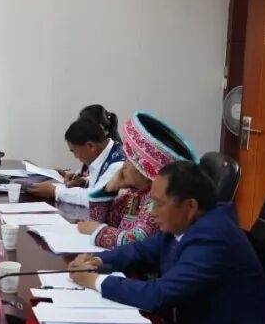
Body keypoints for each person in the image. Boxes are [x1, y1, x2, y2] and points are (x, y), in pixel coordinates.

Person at [69, 161, 265, 324]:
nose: (152, 211)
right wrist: (98, 260)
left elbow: (159, 295)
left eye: (158, 203)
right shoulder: (187, 224)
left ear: (190, 206)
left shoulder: (213, 238)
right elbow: (141, 250)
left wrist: (94, 281)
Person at [74, 111, 195, 249]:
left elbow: (138, 242)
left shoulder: (156, 200)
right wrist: (108, 190)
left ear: (145, 170)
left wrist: (97, 231)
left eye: (129, 159)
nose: (124, 165)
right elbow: (100, 220)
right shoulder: (132, 193)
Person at [26, 117, 125, 206]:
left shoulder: (118, 165)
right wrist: (85, 181)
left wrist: (55, 191)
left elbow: (96, 199)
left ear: (90, 146)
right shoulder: (109, 151)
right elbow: (104, 179)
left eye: (75, 151)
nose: (76, 157)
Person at [60, 104, 121, 186]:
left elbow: (99, 190)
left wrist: (55, 191)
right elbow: (95, 176)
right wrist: (83, 180)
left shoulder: (116, 162)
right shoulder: (100, 150)